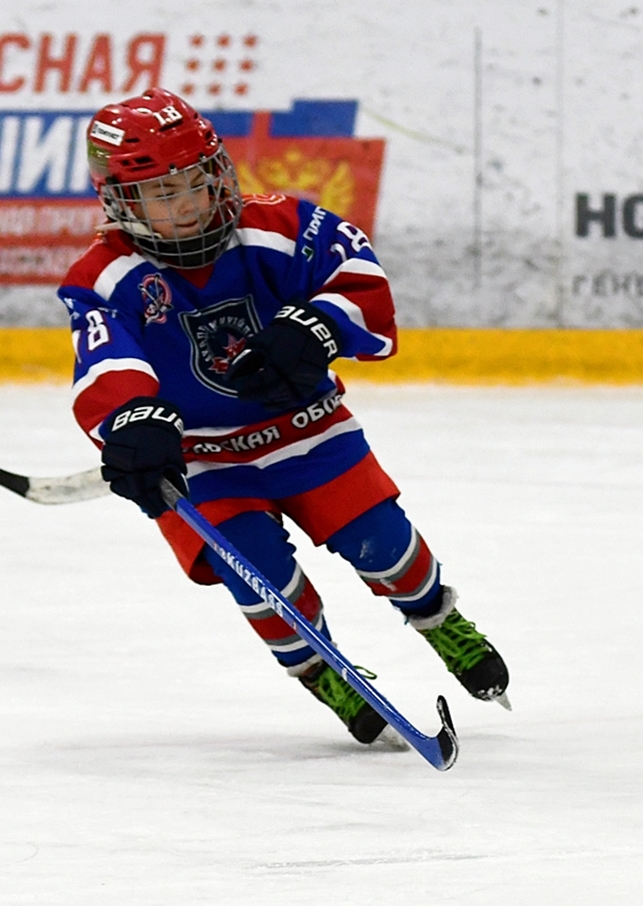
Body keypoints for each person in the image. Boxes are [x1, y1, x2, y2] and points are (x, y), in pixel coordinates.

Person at [59, 87, 510, 745]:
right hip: (206, 461)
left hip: (310, 432)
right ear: (120, 203)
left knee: (384, 545)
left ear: (219, 171)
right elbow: (105, 361)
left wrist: (317, 325)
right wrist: (134, 421)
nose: (185, 204)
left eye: (194, 182)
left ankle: (439, 620)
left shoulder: (278, 225)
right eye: (161, 193)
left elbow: (358, 277)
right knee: (257, 572)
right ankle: (320, 670)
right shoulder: (102, 277)